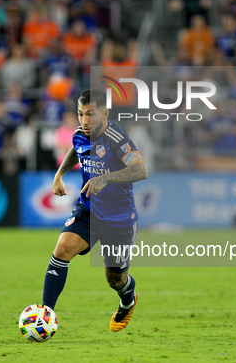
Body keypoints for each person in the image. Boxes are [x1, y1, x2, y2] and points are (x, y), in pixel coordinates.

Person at [42, 88, 148, 331]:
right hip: (89, 209)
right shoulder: (80, 133)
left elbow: (141, 170)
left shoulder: (117, 139)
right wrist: (60, 174)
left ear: (105, 113)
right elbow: (75, 148)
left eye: (90, 114)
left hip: (119, 219)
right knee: (63, 248)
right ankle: (45, 314)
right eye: (80, 114)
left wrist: (105, 178)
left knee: (114, 278)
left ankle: (127, 301)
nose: (84, 121)